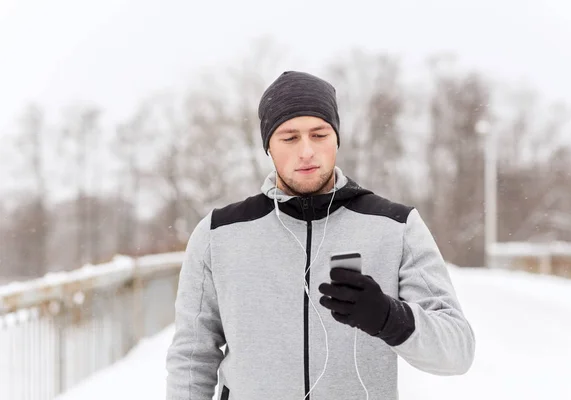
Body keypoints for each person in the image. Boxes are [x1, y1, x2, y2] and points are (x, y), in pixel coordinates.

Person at [165, 71, 476, 400]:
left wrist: (389, 317)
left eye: (319, 134)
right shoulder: (218, 234)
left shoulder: (395, 226)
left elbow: (457, 351)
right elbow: (192, 356)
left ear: (336, 138)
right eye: (289, 138)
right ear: (268, 146)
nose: (307, 151)